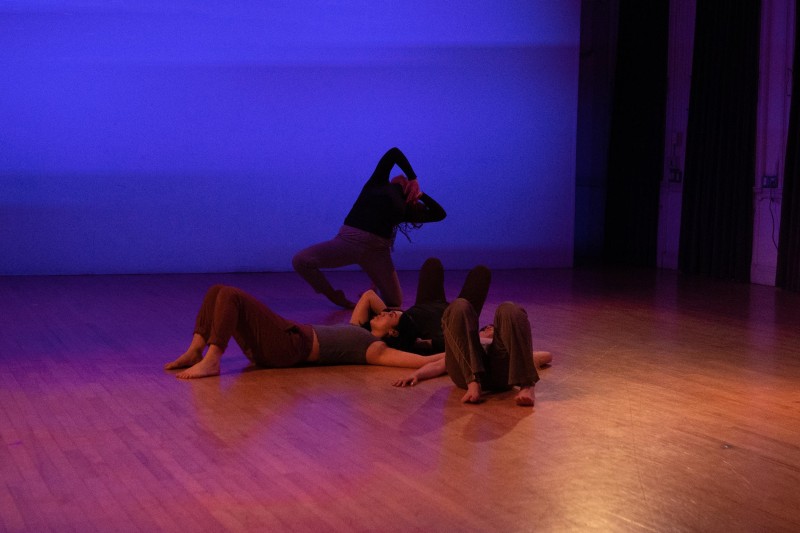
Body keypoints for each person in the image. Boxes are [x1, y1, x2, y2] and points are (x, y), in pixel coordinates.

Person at [164, 284, 442, 379]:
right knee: (217, 291)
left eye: (389, 316)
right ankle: (195, 351)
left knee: (231, 295)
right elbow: (369, 295)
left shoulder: (375, 348)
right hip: (287, 336)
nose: (384, 311)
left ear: (393, 335)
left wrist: (469, 348)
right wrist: (399, 316)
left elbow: (420, 361)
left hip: (288, 346)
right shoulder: (359, 329)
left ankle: (213, 358)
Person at [292, 147, 446, 309]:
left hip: (377, 253)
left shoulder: (406, 210)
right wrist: (413, 178)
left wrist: (419, 194)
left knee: (395, 302)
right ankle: (334, 296)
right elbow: (393, 153)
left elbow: (439, 214)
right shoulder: (378, 183)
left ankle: (370, 296)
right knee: (301, 261)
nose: (399, 178)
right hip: (348, 242)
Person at [392, 298, 541, 406]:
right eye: (487, 327)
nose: (490, 328)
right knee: (459, 306)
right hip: (466, 373)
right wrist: (416, 374)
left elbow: (543, 356)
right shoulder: (466, 341)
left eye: (493, 328)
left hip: (502, 373)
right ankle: (473, 383)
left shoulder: (505, 344)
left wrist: (529, 359)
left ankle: (527, 386)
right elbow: (440, 364)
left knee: (510, 309)